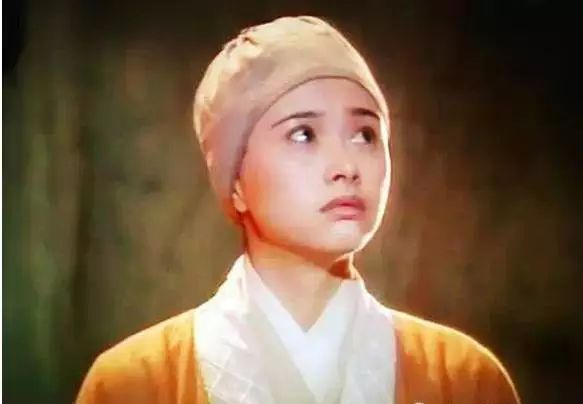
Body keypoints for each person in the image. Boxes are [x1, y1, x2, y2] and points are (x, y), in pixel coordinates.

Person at [76, 15, 521, 404]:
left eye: (365, 135)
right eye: (303, 134)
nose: (346, 166)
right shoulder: (133, 384)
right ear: (236, 183)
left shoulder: (463, 380)